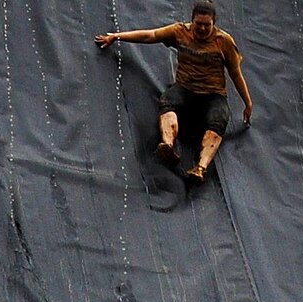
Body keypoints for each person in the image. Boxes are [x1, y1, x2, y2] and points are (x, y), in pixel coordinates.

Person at [96, 2, 252, 186]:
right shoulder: (180, 32)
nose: (202, 29)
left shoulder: (223, 42)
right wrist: (116, 37)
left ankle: (200, 167)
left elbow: (235, 73)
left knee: (218, 121)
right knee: (167, 102)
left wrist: (247, 102)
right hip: (185, 88)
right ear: (192, 21)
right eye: (198, 24)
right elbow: (150, 35)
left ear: (214, 24)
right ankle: (168, 145)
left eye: (206, 25)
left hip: (213, 94)